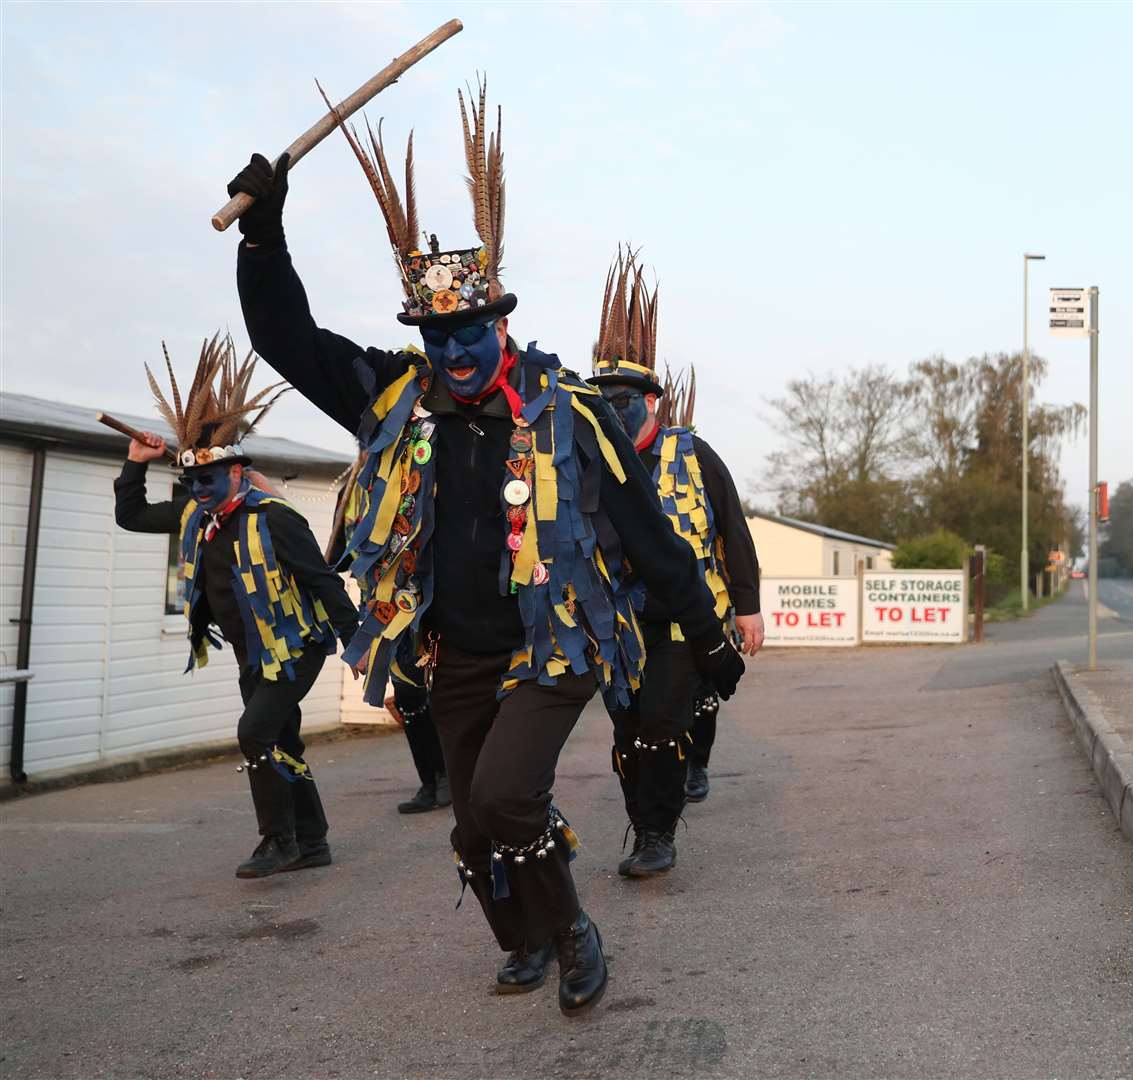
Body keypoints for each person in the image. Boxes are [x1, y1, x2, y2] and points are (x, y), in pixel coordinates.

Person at [225, 82, 743, 1009]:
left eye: (469, 330)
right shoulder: (397, 398)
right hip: (454, 651)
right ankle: (529, 936)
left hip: (554, 643)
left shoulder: (572, 412)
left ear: (501, 322)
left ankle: (574, 930)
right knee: (473, 828)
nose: (455, 351)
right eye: (437, 335)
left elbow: (646, 530)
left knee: (507, 798)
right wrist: (266, 240)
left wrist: (709, 631)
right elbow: (287, 339)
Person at [114, 334, 359, 878]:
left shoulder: (274, 517)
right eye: (190, 480)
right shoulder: (194, 517)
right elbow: (130, 516)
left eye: (208, 478)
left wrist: (357, 642)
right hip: (253, 652)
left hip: (296, 646)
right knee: (282, 737)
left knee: (254, 734)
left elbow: (321, 580)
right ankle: (312, 842)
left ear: (237, 472)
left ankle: (279, 841)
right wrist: (135, 462)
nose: (198, 488)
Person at [588, 250, 763, 875]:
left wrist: (747, 608)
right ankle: (644, 819)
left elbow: (733, 532)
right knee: (627, 732)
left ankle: (656, 835)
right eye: (602, 397)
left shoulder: (696, 455)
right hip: (615, 630)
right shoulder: (581, 464)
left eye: (626, 397)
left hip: (688, 624)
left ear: (652, 402)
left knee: (662, 724)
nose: (615, 406)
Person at [327, 455, 448, 814]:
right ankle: (432, 780)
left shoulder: (423, 473)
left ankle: (456, 778)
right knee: (409, 696)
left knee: (443, 693)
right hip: (383, 612)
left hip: (431, 603)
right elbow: (340, 557)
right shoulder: (354, 489)